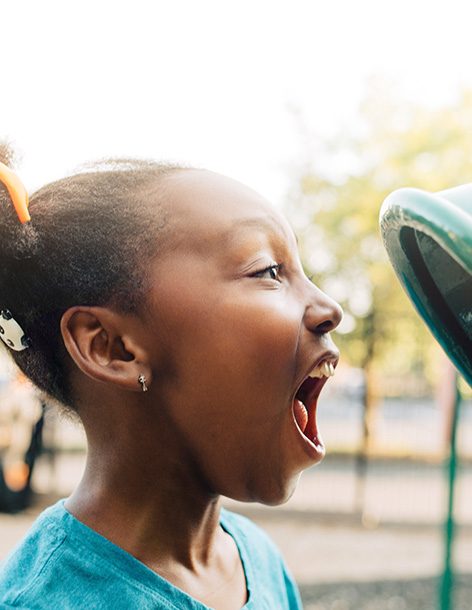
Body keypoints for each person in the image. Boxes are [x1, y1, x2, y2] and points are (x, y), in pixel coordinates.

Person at [0, 142, 343, 609]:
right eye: (267, 271)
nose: (330, 309)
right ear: (111, 347)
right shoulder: (49, 601)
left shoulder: (257, 560)